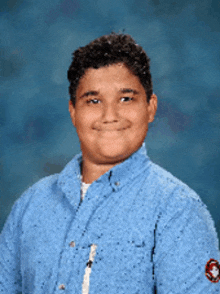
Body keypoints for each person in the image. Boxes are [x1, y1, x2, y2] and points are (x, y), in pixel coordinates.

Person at [0, 33, 219, 294]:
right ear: (73, 111)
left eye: (126, 98)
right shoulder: (31, 205)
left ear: (151, 107)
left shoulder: (179, 211)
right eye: (93, 101)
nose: (110, 116)